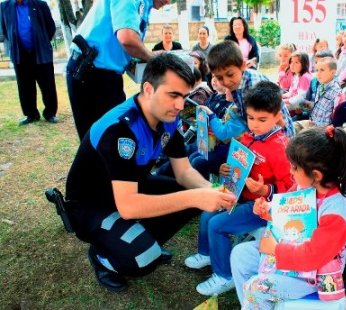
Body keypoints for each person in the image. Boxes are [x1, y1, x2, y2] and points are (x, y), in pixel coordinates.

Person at [64, 53, 236, 293]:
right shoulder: (120, 130)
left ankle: (138, 237)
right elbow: (129, 206)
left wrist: (211, 191)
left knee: (194, 195)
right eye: (173, 95)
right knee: (144, 258)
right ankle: (102, 256)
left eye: (184, 96)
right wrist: (197, 196)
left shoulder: (167, 117)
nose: (179, 105)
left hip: (130, 187)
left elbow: (184, 171)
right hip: (91, 205)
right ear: (148, 88)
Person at [185, 81, 293, 296]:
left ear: (277, 116)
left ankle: (225, 276)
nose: (254, 125)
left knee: (217, 224)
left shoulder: (281, 147)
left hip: (262, 207)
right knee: (208, 212)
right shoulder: (248, 136)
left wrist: (265, 191)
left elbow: (290, 188)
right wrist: (226, 168)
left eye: (262, 120)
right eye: (251, 118)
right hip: (239, 194)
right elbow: (238, 163)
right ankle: (207, 253)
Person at [230, 126, 346, 307]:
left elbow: (314, 257)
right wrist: (267, 209)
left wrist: (276, 249)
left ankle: (255, 302)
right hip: (288, 253)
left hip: (314, 274)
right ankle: (254, 305)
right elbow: (285, 214)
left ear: (316, 174)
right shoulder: (303, 187)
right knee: (240, 255)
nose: (290, 171)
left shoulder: (337, 211)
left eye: (295, 167)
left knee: (256, 287)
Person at [66, 0, 171, 140]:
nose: (169, 1)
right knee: (99, 141)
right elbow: (127, 38)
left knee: (112, 137)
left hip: (103, 75)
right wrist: (151, 57)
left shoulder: (145, 4)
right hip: (91, 73)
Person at [206, 40, 295, 138]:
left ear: (243, 65)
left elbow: (267, 122)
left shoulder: (253, 87)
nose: (226, 82)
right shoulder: (238, 81)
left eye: (230, 74)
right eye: (219, 78)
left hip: (278, 138)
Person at [1, 0, 58, 125]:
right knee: (25, 86)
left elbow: (50, 27)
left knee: (47, 84)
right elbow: (4, 30)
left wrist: (41, 40)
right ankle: (31, 114)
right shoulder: (4, 6)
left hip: (40, 51)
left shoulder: (40, 4)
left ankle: (50, 113)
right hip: (20, 53)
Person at [282, 51, 313, 119]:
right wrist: (282, 96)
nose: (292, 65)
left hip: (305, 105)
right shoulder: (296, 75)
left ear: (304, 64)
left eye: (296, 62)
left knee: (279, 107)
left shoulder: (305, 77)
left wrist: (284, 101)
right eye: (291, 62)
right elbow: (291, 92)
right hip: (296, 101)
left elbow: (300, 98)